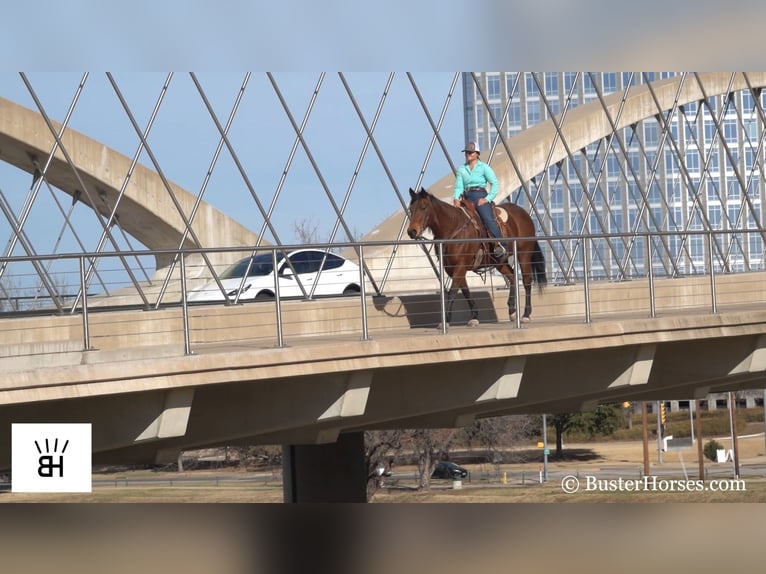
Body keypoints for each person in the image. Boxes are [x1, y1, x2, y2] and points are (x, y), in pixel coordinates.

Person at [453, 141, 506, 259]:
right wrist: (456, 198)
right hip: (466, 197)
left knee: (487, 219)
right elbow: (458, 186)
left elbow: (494, 184)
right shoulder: (461, 169)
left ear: (477, 154)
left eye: (471, 152)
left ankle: (501, 244)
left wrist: (487, 199)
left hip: (479, 195)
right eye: (466, 152)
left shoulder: (484, 168)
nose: (468, 154)